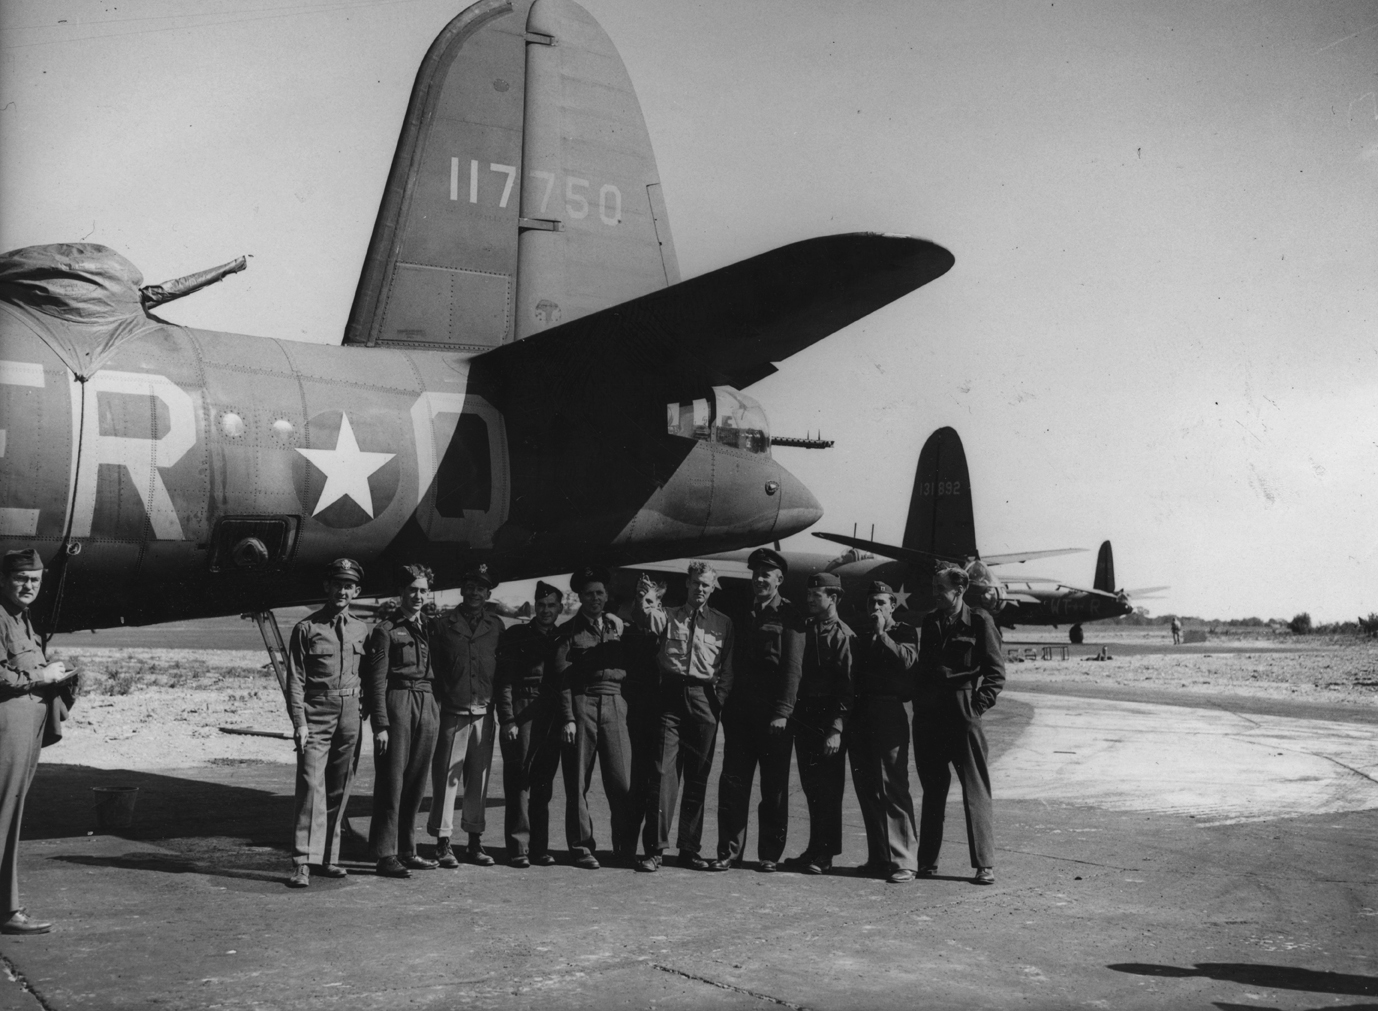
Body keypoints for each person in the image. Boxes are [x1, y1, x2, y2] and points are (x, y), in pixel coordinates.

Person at [632, 562, 734, 872]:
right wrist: (645, 599)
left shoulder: (723, 623)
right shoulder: (669, 615)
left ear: (712, 588)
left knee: (698, 777)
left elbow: (726, 669)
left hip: (705, 700)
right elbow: (646, 621)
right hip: (671, 697)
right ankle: (654, 850)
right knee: (663, 774)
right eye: (695, 584)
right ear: (687, 585)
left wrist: (718, 703)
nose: (700, 589)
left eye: (706, 585)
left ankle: (689, 849)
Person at [709, 547, 804, 873]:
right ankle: (728, 852)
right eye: (756, 574)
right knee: (733, 784)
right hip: (739, 715)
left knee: (773, 788)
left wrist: (783, 711)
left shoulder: (790, 615)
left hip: (773, 716)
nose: (760, 579)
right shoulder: (741, 610)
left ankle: (769, 854)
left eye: (767, 575)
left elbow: (792, 668)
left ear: (779, 579)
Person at [1, 549, 77, 934]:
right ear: (4, 579)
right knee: (3, 818)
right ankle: (6, 911)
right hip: (6, 730)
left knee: (10, 818)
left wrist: (57, 674)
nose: (29, 586)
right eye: (21, 579)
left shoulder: (21, 618)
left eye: (35, 580)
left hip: (25, 728)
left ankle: (8, 906)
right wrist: (44, 678)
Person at [914, 563, 1005, 885]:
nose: (936, 594)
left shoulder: (980, 620)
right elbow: (924, 668)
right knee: (933, 791)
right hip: (930, 717)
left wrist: (975, 708)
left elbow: (995, 673)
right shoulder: (930, 621)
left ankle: (984, 864)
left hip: (963, 712)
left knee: (975, 790)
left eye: (941, 589)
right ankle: (927, 863)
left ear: (960, 589)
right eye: (934, 589)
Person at [285, 558, 369, 888]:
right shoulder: (306, 628)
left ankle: (328, 858)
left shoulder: (361, 629)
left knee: (339, 786)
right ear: (327, 587)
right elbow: (295, 680)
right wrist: (299, 722)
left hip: (350, 713)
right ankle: (303, 861)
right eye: (337, 583)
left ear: (356, 591)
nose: (342, 590)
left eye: (348, 586)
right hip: (316, 711)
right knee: (309, 785)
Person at [552, 566, 636, 869]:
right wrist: (568, 718)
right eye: (589, 594)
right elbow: (562, 680)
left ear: (607, 595)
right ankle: (581, 847)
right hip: (582, 703)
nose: (595, 598)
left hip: (615, 703)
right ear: (579, 597)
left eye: (600, 592)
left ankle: (624, 847)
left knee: (621, 780)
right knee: (577, 782)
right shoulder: (568, 631)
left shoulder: (619, 627)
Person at [364, 564, 440, 879]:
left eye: (423, 590)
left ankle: (408, 850)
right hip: (398, 704)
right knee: (392, 781)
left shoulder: (432, 627)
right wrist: (380, 723)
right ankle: (385, 854)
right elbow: (377, 680)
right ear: (402, 592)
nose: (418, 596)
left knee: (417, 781)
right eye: (413, 590)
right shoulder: (385, 630)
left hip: (426, 703)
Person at [427, 564, 505, 868]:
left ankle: (474, 841)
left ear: (488, 593)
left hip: (484, 713)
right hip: (452, 712)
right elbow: (433, 668)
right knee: (446, 779)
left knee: (479, 780)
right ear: (462, 590)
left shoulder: (496, 627)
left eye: (481, 588)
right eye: (470, 587)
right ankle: (442, 842)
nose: (475, 593)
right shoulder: (443, 624)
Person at [848, 581, 920, 883]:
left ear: (892, 605)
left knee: (894, 786)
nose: (875, 608)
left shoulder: (904, 631)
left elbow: (907, 660)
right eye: (871, 603)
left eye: (881, 603)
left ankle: (904, 860)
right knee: (867, 788)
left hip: (890, 712)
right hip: (861, 713)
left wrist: (881, 636)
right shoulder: (860, 635)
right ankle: (879, 856)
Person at [785, 572, 853, 875]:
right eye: (809, 595)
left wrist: (836, 728)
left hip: (827, 718)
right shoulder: (807, 628)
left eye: (817, 595)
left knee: (829, 789)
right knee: (812, 787)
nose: (810, 599)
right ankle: (815, 847)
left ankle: (826, 853)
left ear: (833, 598)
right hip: (806, 717)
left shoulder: (842, 635)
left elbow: (847, 687)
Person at [495, 581, 566, 868]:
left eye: (551, 606)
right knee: (519, 781)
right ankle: (517, 847)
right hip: (523, 711)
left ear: (560, 608)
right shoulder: (517, 634)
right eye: (541, 605)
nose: (546, 610)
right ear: (534, 607)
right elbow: (504, 681)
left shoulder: (563, 637)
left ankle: (539, 848)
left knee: (543, 783)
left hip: (551, 715)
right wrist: (508, 719)